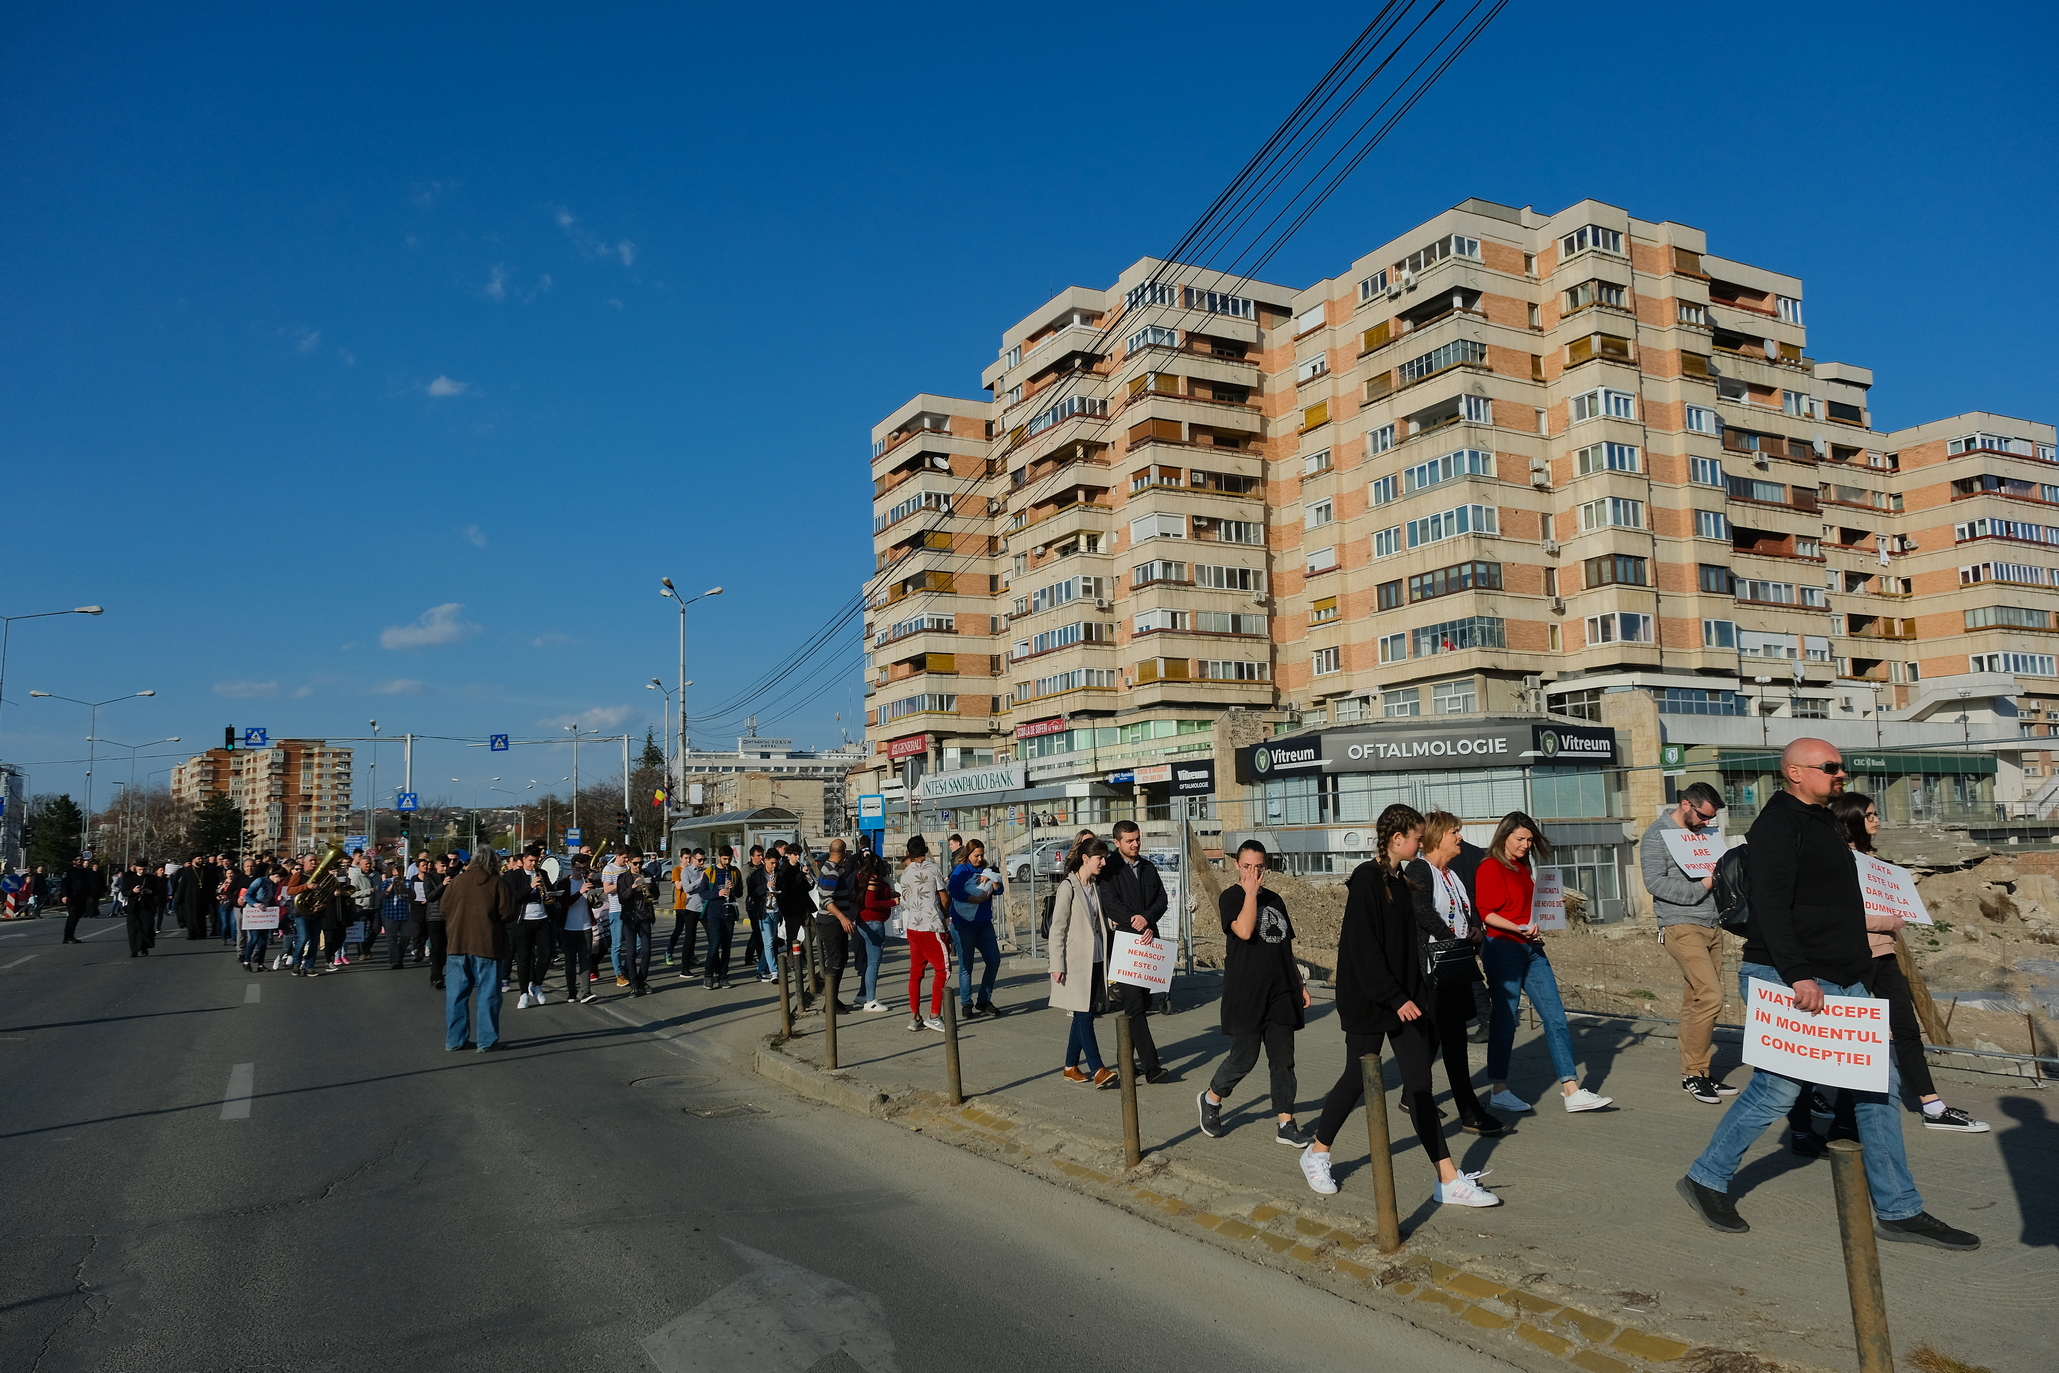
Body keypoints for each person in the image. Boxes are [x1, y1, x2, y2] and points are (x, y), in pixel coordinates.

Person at [1679, 737, 1978, 1249]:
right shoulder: (1777, 824)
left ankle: (1899, 1210)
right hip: (1785, 975)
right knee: (1778, 1089)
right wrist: (1798, 974)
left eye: (1842, 767)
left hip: (1843, 977)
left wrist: (1859, 972)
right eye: (1830, 767)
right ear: (1795, 772)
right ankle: (1706, 1178)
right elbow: (1772, 906)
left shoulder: (1822, 822)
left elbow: (1832, 906)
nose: (1841, 774)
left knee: (1878, 1089)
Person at [1300, 805, 1501, 1205]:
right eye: (1416, 836)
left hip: (1407, 1000)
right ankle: (1317, 1152)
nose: (1421, 842)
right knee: (1356, 1078)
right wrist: (1395, 997)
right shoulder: (1367, 881)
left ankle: (1447, 1180)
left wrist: (1418, 997)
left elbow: (1409, 950)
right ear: (1397, 840)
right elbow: (1362, 949)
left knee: (1420, 1088)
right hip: (1370, 1000)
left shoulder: (1401, 880)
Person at [1782, 794, 1988, 1149]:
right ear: (1851, 819)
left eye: (1877, 814)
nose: (1877, 821)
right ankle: (1826, 1113)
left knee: (1906, 1029)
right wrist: (1887, 920)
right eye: (1870, 815)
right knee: (1848, 1038)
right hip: (1850, 956)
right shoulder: (1836, 860)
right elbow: (1838, 913)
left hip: (1885, 954)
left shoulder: (1875, 862)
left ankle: (1932, 1106)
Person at [1477, 812, 1612, 1114]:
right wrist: (1519, 927)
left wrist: (1547, 909)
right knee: (1506, 1020)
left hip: (1531, 948)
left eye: (1529, 839)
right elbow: (1486, 913)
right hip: (1503, 949)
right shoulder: (1489, 867)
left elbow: (1526, 907)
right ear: (1504, 836)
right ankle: (1499, 1088)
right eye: (1520, 839)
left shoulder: (1523, 867)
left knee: (1555, 1017)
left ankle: (1571, 1090)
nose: (1526, 845)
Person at [1198, 840, 1311, 1143]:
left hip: (1281, 991)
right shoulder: (1231, 897)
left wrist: (1299, 982)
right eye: (1247, 866)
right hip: (1246, 992)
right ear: (1236, 865)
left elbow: (1285, 946)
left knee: (1283, 1058)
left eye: (1259, 867)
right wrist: (1250, 893)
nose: (1253, 872)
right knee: (1244, 1057)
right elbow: (1245, 931)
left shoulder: (1275, 899)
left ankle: (1286, 1123)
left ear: (1266, 866)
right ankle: (1211, 1099)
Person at [1641, 782, 1739, 1104]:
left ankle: (1695, 1073)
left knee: (1695, 999)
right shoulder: (1658, 834)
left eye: (1711, 819)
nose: (1706, 823)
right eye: (1703, 816)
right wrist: (1703, 886)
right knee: (1711, 996)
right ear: (1686, 804)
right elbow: (1654, 882)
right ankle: (1695, 1073)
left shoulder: (1704, 833)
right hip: (1681, 925)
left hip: (1712, 924)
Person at [1408, 810, 1502, 1135]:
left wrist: (1475, 929)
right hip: (1437, 968)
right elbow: (1420, 911)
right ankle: (1469, 1111)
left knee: (1439, 1034)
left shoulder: (1452, 875)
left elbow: (1465, 912)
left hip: (1455, 965)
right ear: (1436, 837)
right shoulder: (1420, 868)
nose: (1459, 837)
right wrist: (1454, 939)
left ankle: (1412, 1092)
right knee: (1455, 1039)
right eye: (1454, 832)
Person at [1100, 820, 1169, 1083]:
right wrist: (1134, 921)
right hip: (1125, 944)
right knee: (1135, 1005)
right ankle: (1152, 1066)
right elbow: (1111, 904)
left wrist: (1147, 920)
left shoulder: (1148, 867)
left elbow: (1161, 899)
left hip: (1149, 941)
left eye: (1137, 839)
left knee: (1143, 1002)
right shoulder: (1110, 870)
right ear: (1116, 842)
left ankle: (1125, 1061)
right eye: (1129, 840)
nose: (1135, 844)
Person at [1048, 837, 1117, 1087]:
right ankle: (1098, 1068)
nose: (1103, 862)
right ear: (1086, 858)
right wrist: (1056, 964)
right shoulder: (1068, 887)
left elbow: (1097, 919)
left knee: (1081, 1014)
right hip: (1075, 962)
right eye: (1099, 857)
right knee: (1085, 1015)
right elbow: (1058, 928)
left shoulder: (1096, 885)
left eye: (1105, 857)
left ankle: (1070, 1066)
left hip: (1096, 958)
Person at [443, 851, 515, 1051]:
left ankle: (454, 1040)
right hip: (486, 945)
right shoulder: (496, 882)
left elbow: (443, 908)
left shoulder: (457, 881)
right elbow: (508, 913)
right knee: (488, 995)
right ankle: (486, 1041)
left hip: (457, 943)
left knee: (456, 995)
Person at [947, 839, 1005, 1019]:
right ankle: (966, 1003)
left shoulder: (986, 868)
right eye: (976, 855)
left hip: (984, 923)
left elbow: (999, 890)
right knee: (966, 965)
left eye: (982, 855)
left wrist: (993, 879)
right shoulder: (961, 869)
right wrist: (975, 899)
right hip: (964, 924)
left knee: (994, 960)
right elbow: (954, 890)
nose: (979, 859)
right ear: (968, 854)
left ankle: (984, 1000)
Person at [899, 836, 950, 1031]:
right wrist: (945, 915)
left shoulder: (905, 874)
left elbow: (905, 898)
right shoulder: (933, 869)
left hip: (913, 926)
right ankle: (934, 1014)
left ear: (907, 853)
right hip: (932, 925)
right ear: (926, 850)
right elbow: (943, 898)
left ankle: (915, 1016)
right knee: (943, 969)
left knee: (916, 971)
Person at [506, 848, 555, 1007]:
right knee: (524, 958)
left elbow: (549, 892)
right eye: (531, 861)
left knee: (546, 954)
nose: (534, 864)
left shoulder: (542, 873)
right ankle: (523, 994)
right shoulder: (514, 876)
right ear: (524, 860)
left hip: (542, 919)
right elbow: (513, 898)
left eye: (536, 861)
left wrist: (552, 894)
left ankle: (535, 984)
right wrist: (530, 886)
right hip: (523, 920)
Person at [609, 848, 657, 996]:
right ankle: (634, 984)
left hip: (645, 917)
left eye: (641, 863)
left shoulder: (647, 874)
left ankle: (642, 980)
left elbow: (656, 894)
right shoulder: (623, 878)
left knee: (647, 951)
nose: (638, 866)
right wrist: (634, 887)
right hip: (630, 918)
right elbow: (622, 898)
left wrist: (650, 888)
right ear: (628, 862)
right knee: (630, 953)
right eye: (635, 863)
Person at [555, 857, 598, 1004]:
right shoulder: (564, 883)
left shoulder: (588, 882)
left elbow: (593, 903)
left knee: (586, 960)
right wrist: (580, 893)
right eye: (578, 868)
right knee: (570, 961)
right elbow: (563, 903)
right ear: (572, 867)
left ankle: (585, 992)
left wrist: (594, 894)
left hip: (585, 926)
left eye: (584, 869)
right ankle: (571, 991)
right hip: (568, 927)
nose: (581, 872)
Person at [702, 846, 742, 990]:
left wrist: (733, 888)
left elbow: (740, 892)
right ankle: (708, 975)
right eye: (725, 859)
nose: (727, 862)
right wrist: (717, 893)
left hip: (729, 911)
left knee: (727, 946)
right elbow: (703, 892)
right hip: (714, 912)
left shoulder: (735, 872)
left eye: (730, 859)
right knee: (714, 944)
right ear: (719, 857)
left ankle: (723, 976)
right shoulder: (710, 871)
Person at [378, 861, 417, 971]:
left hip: (405, 915)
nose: (398, 872)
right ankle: (394, 962)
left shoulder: (408, 882)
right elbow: (382, 896)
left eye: (401, 870)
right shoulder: (386, 882)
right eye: (396, 870)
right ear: (393, 871)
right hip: (390, 915)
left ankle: (399, 956)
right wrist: (392, 886)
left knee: (406, 937)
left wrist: (406, 889)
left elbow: (413, 897)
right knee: (391, 940)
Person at [668, 847, 702, 974]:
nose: (687, 860)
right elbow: (678, 886)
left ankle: (691, 956)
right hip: (681, 904)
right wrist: (686, 874)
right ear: (681, 858)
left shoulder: (695, 870)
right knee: (679, 930)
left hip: (693, 905)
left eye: (689, 858)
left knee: (692, 933)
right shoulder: (678, 870)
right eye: (685, 858)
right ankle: (669, 952)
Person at [421, 853, 451, 990]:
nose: (444, 869)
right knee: (437, 947)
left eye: (447, 866)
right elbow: (430, 896)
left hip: (449, 916)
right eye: (442, 866)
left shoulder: (452, 877)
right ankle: (436, 976)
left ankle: (441, 973)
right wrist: (442, 885)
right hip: (434, 917)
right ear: (437, 865)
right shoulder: (430, 877)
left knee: (447, 948)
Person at [60, 856, 99, 942]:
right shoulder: (69, 872)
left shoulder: (85, 872)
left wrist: (89, 896)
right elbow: (64, 884)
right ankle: (68, 937)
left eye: (81, 859)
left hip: (82, 897)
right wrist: (64, 895)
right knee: (72, 916)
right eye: (77, 860)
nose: (79, 861)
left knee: (77, 916)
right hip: (72, 897)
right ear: (73, 861)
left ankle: (71, 935)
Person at [119, 861, 154, 957]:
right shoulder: (130, 879)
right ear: (136, 868)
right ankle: (134, 950)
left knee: (146, 928)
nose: (142, 871)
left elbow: (158, 891)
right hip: (133, 908)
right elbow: (124, 892)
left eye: (144, 869)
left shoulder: (151, 879)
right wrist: (133, 891)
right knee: (133, 929)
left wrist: (150, 891)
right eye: (140, 869)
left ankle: (144, 947)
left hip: (146, 907)